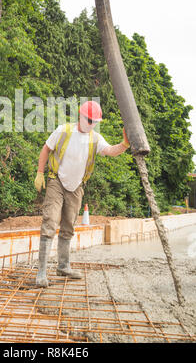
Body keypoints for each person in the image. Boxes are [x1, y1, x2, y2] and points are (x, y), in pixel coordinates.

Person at [34, 100, 130, 287]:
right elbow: (46, 149)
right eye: (89, 119)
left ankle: (63, 266)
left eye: (95, 121)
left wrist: (124, 144)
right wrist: (40, 172)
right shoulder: (64, 131)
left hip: (76, 187)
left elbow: (110, 151)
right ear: (80, 115)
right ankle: (41, 273)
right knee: (50, 221)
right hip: (57, 181)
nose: (91, 123)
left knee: (69, 225)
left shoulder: (96, 138)